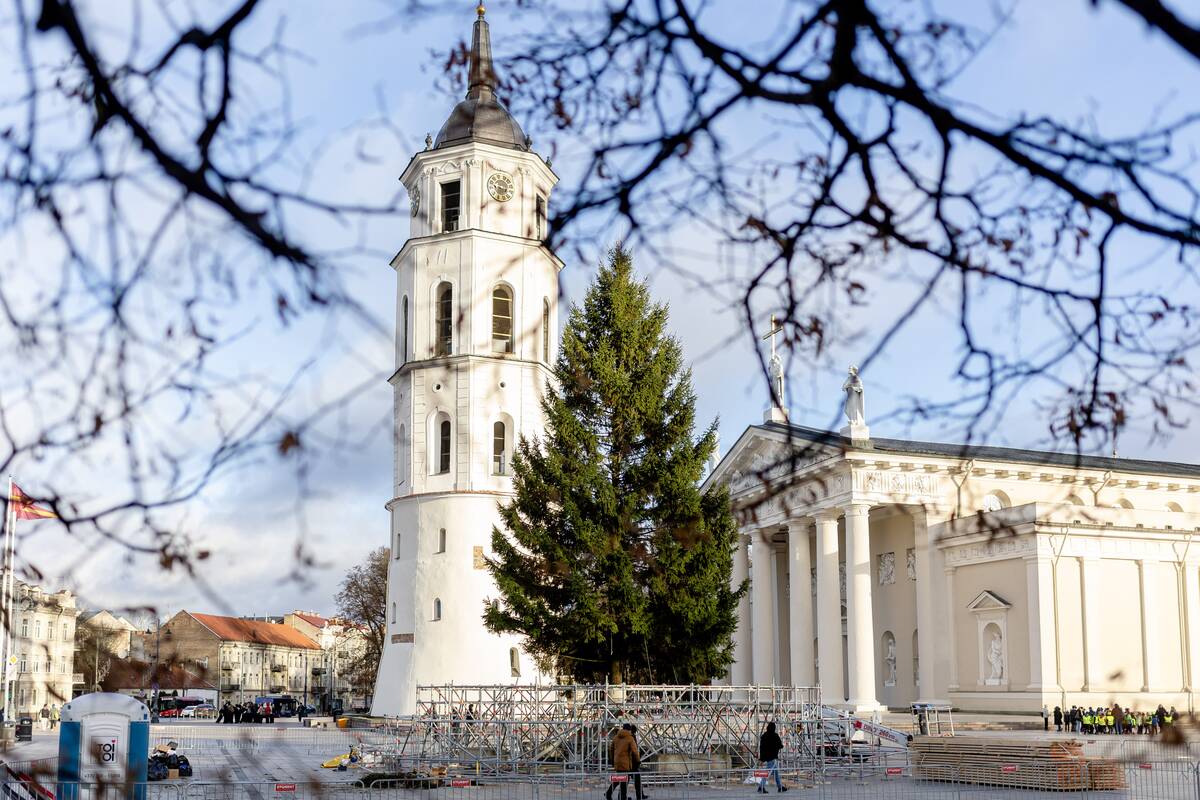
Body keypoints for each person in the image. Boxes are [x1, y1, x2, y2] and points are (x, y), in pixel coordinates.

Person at [605, 724, 638, 800]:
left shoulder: (616, 737)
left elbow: (611, 749)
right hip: (626, 763)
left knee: (619, 779)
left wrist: (613, 760)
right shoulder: (630, 738)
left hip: (617, 762)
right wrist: (638, 761)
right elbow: (635, 751)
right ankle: (622, 797)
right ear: (629, 730)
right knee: (624, 780)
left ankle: (609, 793)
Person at [757, 720, 786, 794]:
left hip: (767, 757)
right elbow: (780, 745)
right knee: (767, 773)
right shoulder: (775, 736)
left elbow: (761, 748)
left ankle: (780, 787)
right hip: (772, 757)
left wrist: (762, 758)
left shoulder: (764, 736)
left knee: (776, 773)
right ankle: (761, 787)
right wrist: (779, 746)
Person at [628, 724, 648, 800]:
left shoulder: (629, 737)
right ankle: (640, 796)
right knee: (637, 781)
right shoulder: (632, 738)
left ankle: (640, 795)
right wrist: (638, 760)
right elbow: (634, 751)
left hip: (629, 763)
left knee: (625, 781)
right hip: (633, 764)